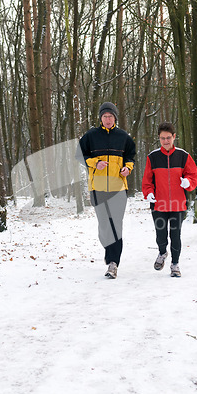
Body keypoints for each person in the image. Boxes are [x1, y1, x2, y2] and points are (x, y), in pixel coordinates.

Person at [78, 102, 136, 279]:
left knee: (115, 225)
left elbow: (130, 156)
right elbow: (80, 155)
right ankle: (108, 250)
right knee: (104, 225)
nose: (108, 119)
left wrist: (127, 168)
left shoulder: (123, 137)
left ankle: (113, 263)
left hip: (119, 188)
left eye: (111, 116)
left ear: (115, 118)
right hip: (98, 187)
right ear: (101, 118)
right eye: (105, 116)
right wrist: (95, 162)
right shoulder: (91, 136)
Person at [142, 122, 197, 277]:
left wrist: (188, 182)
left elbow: (193, 174)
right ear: (159, 139)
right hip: (158, 205)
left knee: (175, 235)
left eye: (168, 138)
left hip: (177, 204)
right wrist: (148, 193)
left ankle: (175, 265)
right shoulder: (152, 157)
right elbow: (147, 180)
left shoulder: (183, 156)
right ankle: (162, 252)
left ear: (174, 137)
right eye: (162, 138)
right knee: (161, 235)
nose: (166, 141)